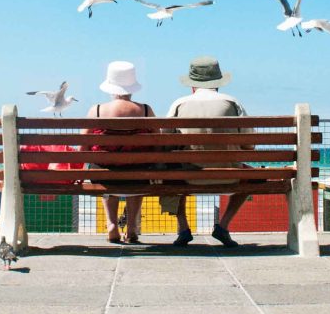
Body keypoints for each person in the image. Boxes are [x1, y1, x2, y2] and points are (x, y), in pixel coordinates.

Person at [165, 56, 251, 248]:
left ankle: (183, 228)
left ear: (192, 85)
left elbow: (166, 143)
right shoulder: (232, 103)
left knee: (171, 174)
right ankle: (223, 225)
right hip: (231, 176)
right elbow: (249, 145)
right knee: (251, 176)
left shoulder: (180, 104)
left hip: (188, 177)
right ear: (218, 83)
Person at [84, 60, 155, 244]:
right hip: (138, 174)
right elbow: (158, 145)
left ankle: (112, 225)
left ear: (110, 87)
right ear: (132, 88)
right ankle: (131, 227)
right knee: (139, 169)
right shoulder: (146, 111)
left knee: (103, 166)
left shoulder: (97, 111)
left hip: (104, 175)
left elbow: (83, 147)